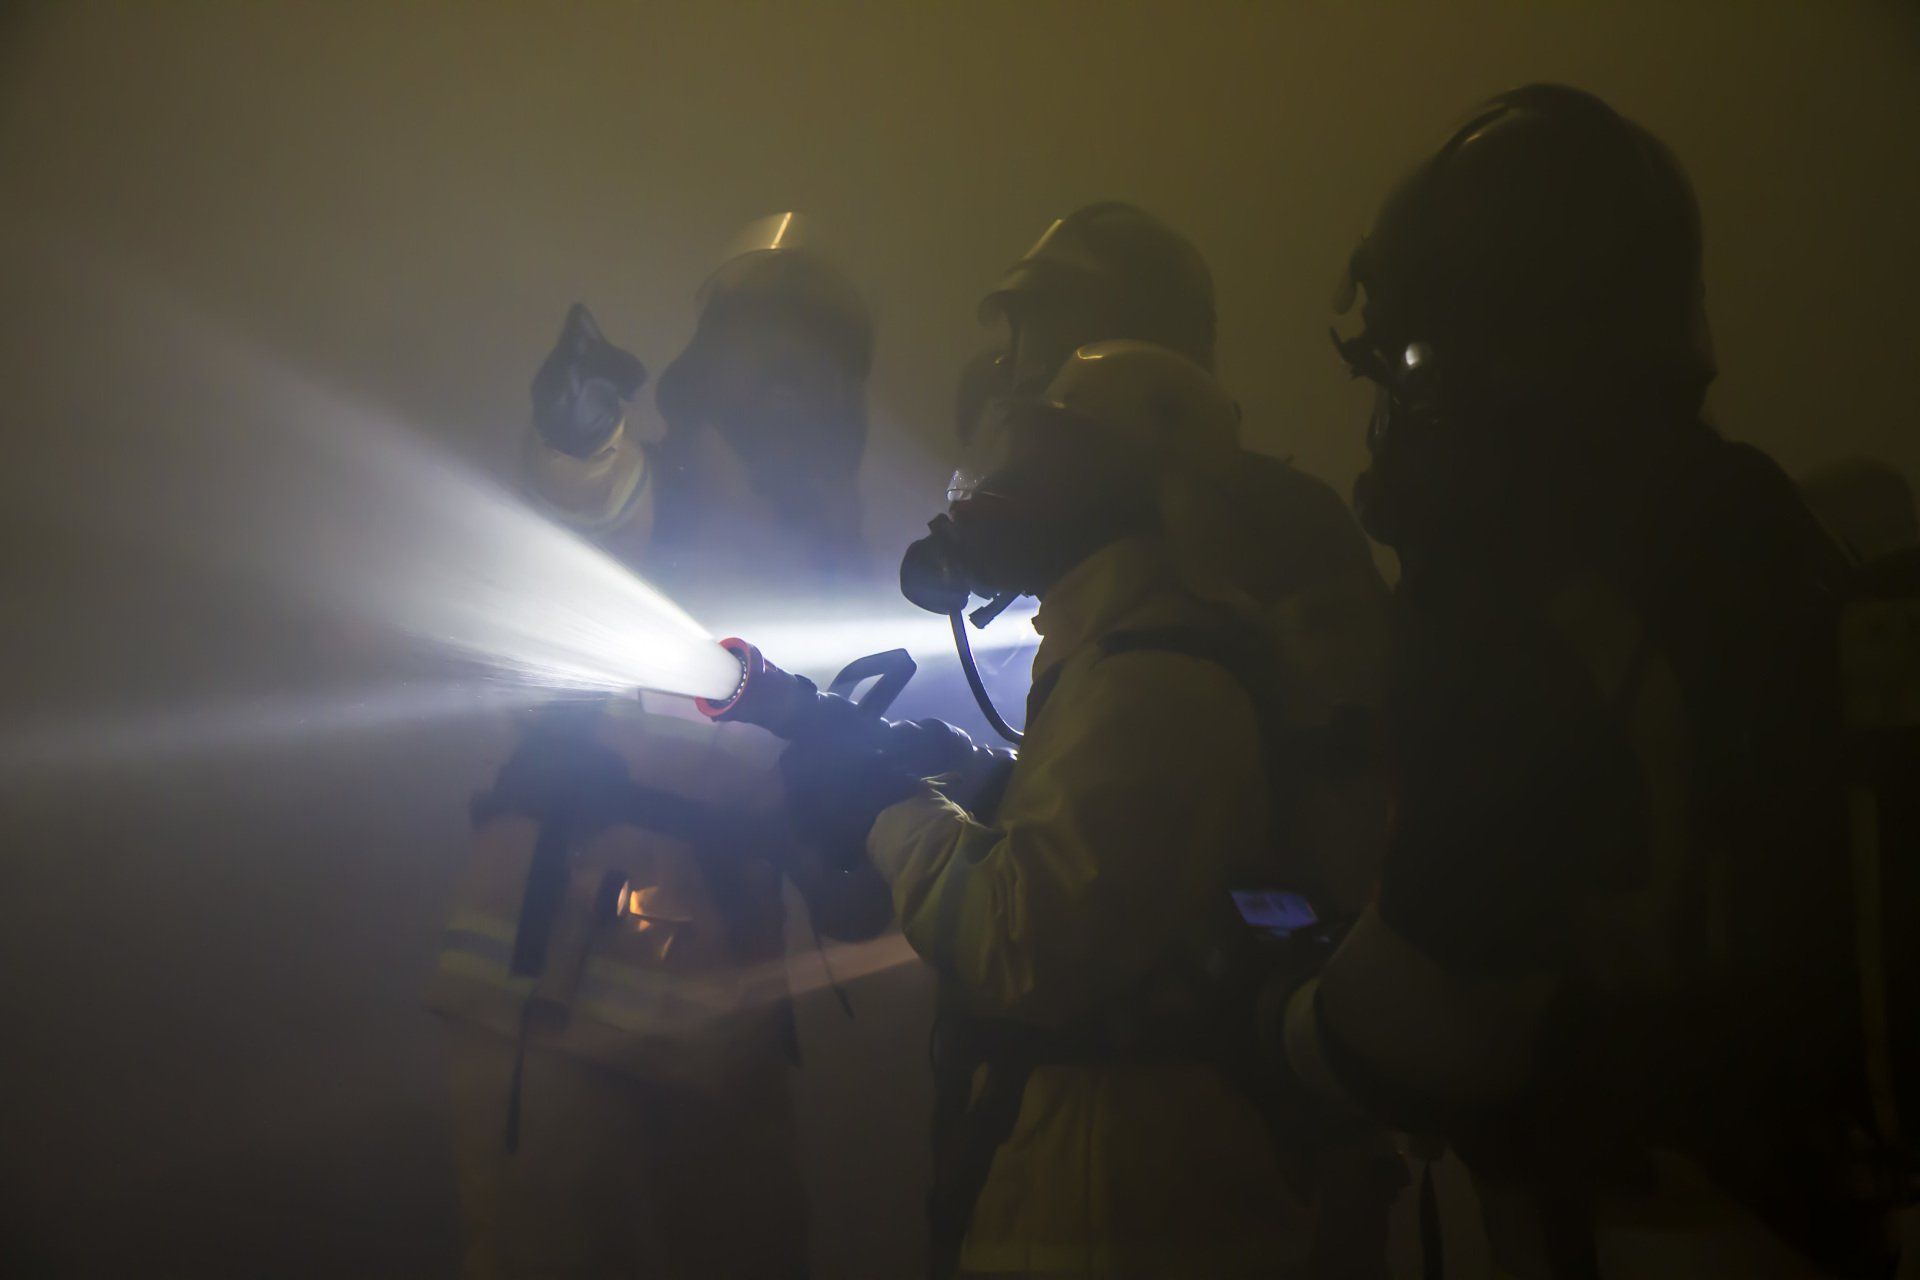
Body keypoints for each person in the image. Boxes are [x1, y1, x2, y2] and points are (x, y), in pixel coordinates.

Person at [1276, 85, 1898, 1277]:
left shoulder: (1512, 587)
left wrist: (1280, 1020)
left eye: (1402, 365)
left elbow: (1441, 1017)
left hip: (1627, 1218)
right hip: (1805, 1210)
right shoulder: (1759, 522)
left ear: (1452, 354)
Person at [797, 340, 1388, 1278]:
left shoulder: (1153, 679)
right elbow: (1096, 835)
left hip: (1114, 1195)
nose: (1009, 487)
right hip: (1104, 1168)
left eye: (1047, 459)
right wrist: (963, 776)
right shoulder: (1122, 656)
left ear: (1124, 487)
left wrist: (886, 809)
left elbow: (1024, 937)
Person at [428, 213, 889, 1279]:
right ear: (716, 366)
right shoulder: (662, 489)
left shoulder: (834, 554)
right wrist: (578, 431)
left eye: (812, 370)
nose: (791, 392)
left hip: (721, 999)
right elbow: (591, 501)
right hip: (553, 968)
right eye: (770, 358)